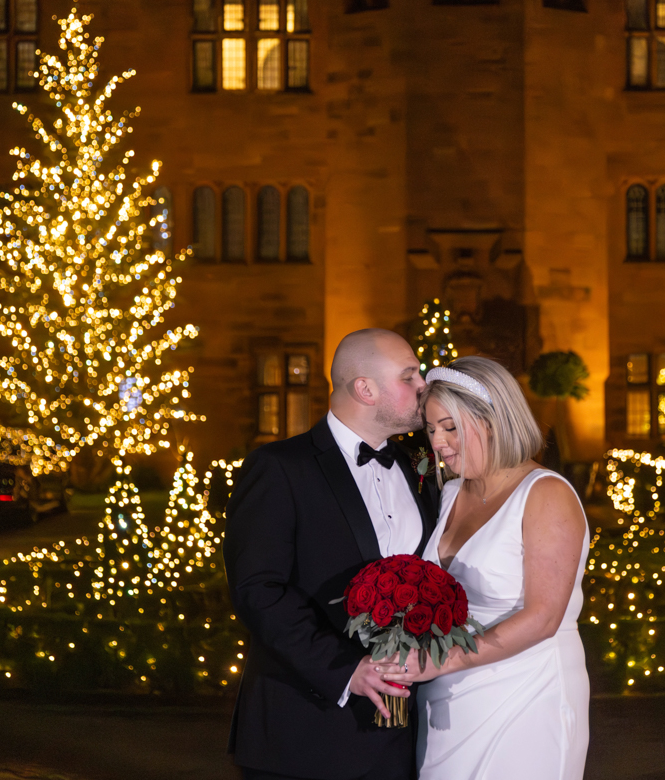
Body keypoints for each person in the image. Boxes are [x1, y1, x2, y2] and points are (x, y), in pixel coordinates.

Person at [225, 328, 441, 780]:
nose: (424, 385)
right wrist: (345, 670)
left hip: (398, 740)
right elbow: (258, 590)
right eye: (409, 376)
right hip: (302, 732)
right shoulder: (280, 467)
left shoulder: (417, 467)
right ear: (365, 389)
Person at [383, 356, 590, 780]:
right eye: (431, 429)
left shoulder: (545, 493)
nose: (438, 442)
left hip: (527, 690)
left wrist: (440, 662)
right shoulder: (451, 492)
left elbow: (543, 617)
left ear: (492, 421)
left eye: (450, 427)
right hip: (447, 698)